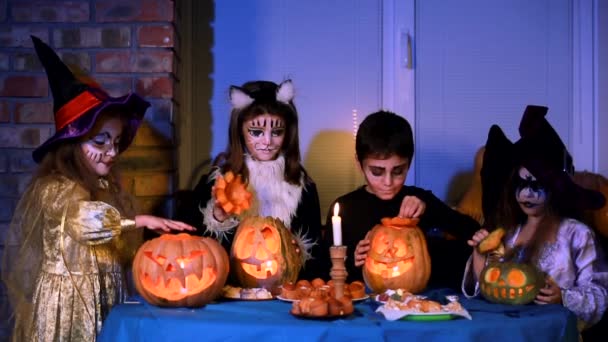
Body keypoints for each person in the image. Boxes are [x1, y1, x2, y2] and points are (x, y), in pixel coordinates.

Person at [0, 36, 195, 342]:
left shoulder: (105, 187)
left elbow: (121, 242)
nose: (111, 151)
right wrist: (140, 221)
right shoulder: (55, 188)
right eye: (100, 141)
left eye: (116, 142)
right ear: (72, 143)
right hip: (70, 302)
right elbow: (84, 222)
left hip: (104, 294)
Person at [462, 105, 608, 332]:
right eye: (521, 184)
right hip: (506, 329)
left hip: (551, 331)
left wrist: (564, 297)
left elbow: (599, 295)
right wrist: (480, 254)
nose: (527, 194)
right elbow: (488, 290)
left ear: (554, 189)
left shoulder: (577, 234)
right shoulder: (509, 231)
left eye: (536, 185)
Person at [176, 79, 323, 280]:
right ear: (240, 131)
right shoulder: (218, 180)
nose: (267, 141)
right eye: (256, 132)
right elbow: (195, 253)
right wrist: (218, 218)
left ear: (288, 133)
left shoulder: (301, 186)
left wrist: (297, 252)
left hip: (284, 291)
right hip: (231, 292)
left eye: (277, 132)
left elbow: (315, 257)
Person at [320, 110, 481, 289]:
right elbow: (326, 273)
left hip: (413, 303)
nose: (388, 182)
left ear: (409, 163)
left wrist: (427, 208)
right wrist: (352, 262)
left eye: (398, 171)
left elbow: (473, 232)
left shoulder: (419, 200)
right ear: (359, 164)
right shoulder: (344, 208)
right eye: (377, 172)